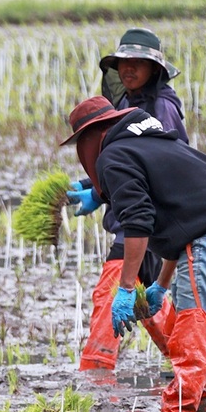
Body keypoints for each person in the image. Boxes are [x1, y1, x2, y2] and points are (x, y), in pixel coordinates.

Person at [61, 96, 206, 412]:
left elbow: (138, 223)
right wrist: (161, 285)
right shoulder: (152, 144)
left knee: (191, 341)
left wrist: (126, 288)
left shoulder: (114, 155)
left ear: (92, 136)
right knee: (188, 333)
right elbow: (181, 224)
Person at [67, 28, 188, 371]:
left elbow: (159, 167)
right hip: (138, 219)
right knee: (146, 300)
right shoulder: (125, 104)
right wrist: (96, 187)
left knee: (112, 291)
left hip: (142, 220)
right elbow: (122, 161)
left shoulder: (162, 107)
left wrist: (101, 191)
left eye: (138, 63)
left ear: (155, 69)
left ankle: (95, 374)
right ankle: (189, 365)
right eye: (123, 63)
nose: (128, 70)